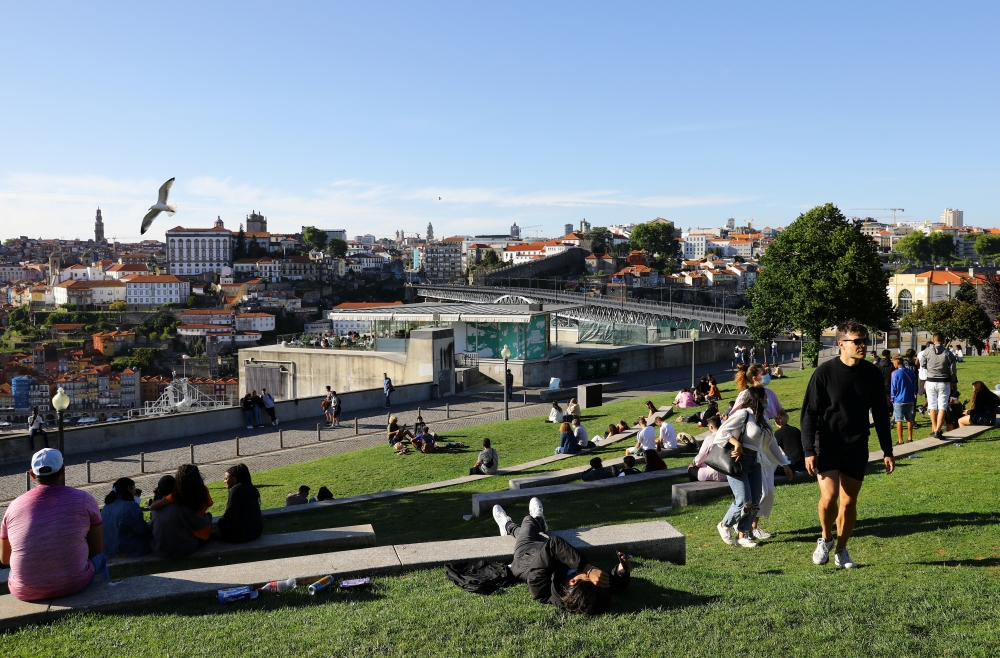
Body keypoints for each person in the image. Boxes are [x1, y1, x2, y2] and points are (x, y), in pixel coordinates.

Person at [801, 320, 894, 569]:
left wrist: (888, 450)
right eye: (857, 341)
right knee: (829, 496)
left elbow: (882, 414)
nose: (863, 345)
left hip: (856, 443)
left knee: (849, 501)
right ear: (841, 344)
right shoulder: (824, 372)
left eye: (865, 340)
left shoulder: (872, 373)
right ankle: (826, 538)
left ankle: (841, 549)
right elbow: (809, 412)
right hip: (827, 442)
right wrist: (809, 450)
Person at [1, 448, 108, 601]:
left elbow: (5, 558)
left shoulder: (13, 507)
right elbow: (97, 548)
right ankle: (104, 596)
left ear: (31, 474)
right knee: (100, 559)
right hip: (74, 582)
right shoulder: (85, 499)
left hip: (25, 589)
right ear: (63, 470)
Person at [492, 498, 631, 613]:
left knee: (527, 522)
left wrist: (588, 569)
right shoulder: (584, 592)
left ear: (573, 581)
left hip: (526, 555)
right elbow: (611, 585)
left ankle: (511, 525)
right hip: (548, 551)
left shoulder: (539, 589)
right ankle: (533, 523)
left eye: (588, 577)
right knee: (528, 531)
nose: (594, 576)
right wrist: (621, 573)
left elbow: (554, 544)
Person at [714, 387, 793, 548]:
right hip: (739, 463)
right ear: (756, 399)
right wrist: (736, 444)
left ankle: (743, 534)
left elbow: (772, 443)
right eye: (764, 398)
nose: (767, 401)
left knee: (755, 501)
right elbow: (722, 432)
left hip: (755, 462)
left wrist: (784, 463)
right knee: (744, 501)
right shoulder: (743, 414)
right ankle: (724, 525)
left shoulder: (763, 417)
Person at [149, 467, 213, 559]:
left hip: (159, 549)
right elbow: (199, 523)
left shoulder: (173, 498)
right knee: (206, 537)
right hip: (183, 546)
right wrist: (209, 516)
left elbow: (154, 507)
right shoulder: (182, 504)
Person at [101, 477, 152, 558]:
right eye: (134, 488)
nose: (135, 491)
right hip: (126, 550)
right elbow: (142, 531)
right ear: (129, 488)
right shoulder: (131, 506)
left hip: (108, 549)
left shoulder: (106, 506)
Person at [920, 333, 957, 439]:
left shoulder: (927, 351)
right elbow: (953, 369)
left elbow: (922, 364)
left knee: (932, 406)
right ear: (944, 341)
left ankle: (935, 428)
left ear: (933, 340)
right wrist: (951, 380)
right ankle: (938, 430)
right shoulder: (947, 352)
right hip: (943, 381)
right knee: (942, 406)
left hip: (931, 380)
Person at [217, 464, 263, 543]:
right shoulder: (250, 488)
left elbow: (230, 513)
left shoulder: (237, 489)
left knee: (210, 537)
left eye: (226, 478)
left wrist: (220, 524)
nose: (224, 481)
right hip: (257, 531)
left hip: (243, 533)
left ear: (234, 479)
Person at [688, 416, 726, 482]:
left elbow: (701, 455)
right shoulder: (728, 437)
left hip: (713, 472)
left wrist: (694, 463)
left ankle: (694, 489)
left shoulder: (709, 438)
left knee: (691, 469)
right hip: (727, 472)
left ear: (711, 426)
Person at [890, 354, 917, 444]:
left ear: (897, 362)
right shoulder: (910, 372)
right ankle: (910, 438)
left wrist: (892, 398)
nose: (893, 364)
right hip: (909, 398)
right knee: (909, 419)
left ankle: (900, 440)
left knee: (899, 420)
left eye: (893, 362)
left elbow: (893, 387)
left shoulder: (895, 373)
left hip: (899, 399)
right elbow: (914, 384)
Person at [875, 349, 895, 416]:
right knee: (890, 399)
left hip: (880, 385)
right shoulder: (892, 365)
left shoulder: (878, 365)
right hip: (890, 385)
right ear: (888, 355)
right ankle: (890, 411)